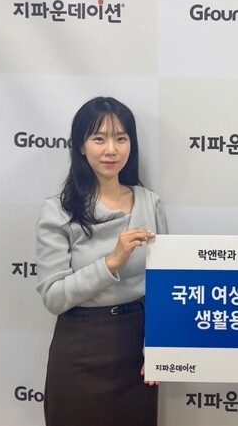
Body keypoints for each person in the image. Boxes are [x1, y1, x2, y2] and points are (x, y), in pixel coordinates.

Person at [35, 96, 167, 426]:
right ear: (81, 146)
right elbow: (54, 297)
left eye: (121, 138)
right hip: (81, 347)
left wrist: (160, 349)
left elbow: (165, 286)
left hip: (136, 347)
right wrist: (111, 262)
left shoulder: (149, 203)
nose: (111, 149)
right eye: (99, 138)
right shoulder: (59, 210)